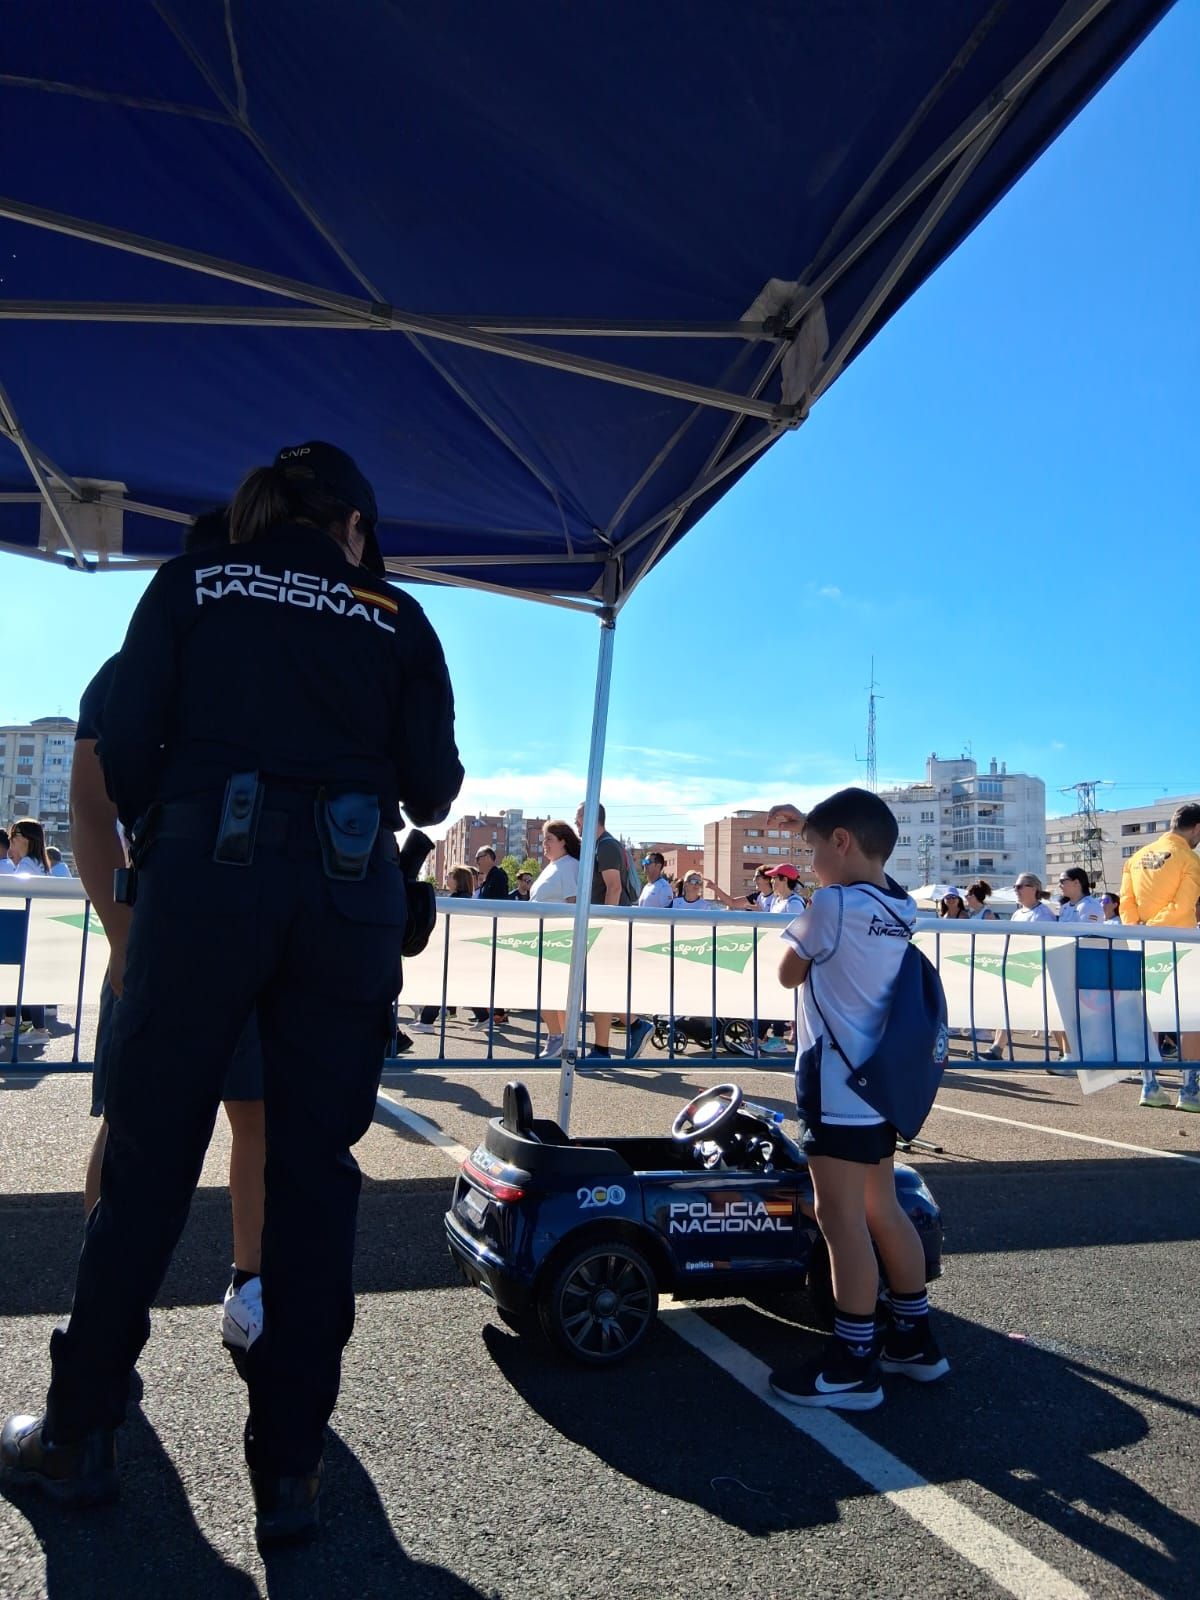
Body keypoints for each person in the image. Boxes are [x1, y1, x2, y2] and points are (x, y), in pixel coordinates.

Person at [0, 440, 463, 1545]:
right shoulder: (393, 613)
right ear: (354, 524)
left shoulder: (194, 582)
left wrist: (207, 819)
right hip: (347, 900)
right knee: (313, 1178)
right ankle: (290, 1472)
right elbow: (434, 791)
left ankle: (77, 1431)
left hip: (209, 879)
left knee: (150, 1163)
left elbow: (128, 751)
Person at [71, 517, 272, 1353]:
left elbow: (91, 807)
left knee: (243, 1119)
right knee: (135, 1128)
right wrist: (121, 936)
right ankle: (105, 1318)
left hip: (224, 935)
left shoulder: (269, 667)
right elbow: (89, 807)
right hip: (174, 934)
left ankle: (243, 1293)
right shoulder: (133, 668)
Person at [769, 787, 947, 1409]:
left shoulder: (831, 905)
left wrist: (813, 916)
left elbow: (788, 971)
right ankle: (914, 1339)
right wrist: (811, 823)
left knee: (840, 1219)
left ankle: (852, 1363)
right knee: (882, 1210)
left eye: (814, 848)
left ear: (841, 843)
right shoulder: (898, 904)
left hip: (834, 1086)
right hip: (876, 1089)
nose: (809, 861)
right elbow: (860, 863)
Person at [1119, 802, 1200, 1112]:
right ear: (1197, 828)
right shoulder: (1189, 858)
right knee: (1190, 1017)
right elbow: (1183, 906)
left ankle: (1150, 1085)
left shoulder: (1136, 858)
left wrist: (1139, 929)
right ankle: (1190, 1089)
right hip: (1179, 944)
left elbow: (1126, 903)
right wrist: (1155, 928)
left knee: (1151, 1014)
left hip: (1142, 944)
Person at [573, 801, 652, 1061]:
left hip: (608, 926)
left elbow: (614, 887)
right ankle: (612, 1041)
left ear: (589, 817)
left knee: (600, 985)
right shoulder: (603, 845)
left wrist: (604, 926)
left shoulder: (606, 846)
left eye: (578, 818)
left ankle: (628, 1029)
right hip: (607, 924)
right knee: (599, 986)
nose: (576, 824)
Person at [981, 873, 1057, 1062]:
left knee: (1054, 1016)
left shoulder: (1043, 914)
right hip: (1019, 969)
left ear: (1034, 889)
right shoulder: (1017, 913)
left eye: (1020, 886)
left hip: (1036, 970)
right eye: (1015, 887)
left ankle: (1068, 1053)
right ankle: (996, 1048)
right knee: (1007, 1008)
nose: (1016, 890)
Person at [528, 821, 582, 1058]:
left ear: (563, 841)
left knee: (546, 990)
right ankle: (560, 1038)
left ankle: (557, 1037)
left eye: (549, 838)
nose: (544, 844)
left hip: (558, 939)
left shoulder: (569, 866)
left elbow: (573, 902)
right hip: (544, 938)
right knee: (553, 992)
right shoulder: (553, 866)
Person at [411, 866, 475, 1033]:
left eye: (450, 876)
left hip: (453, 951)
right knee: (452, 985)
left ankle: (426, 1020)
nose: (447, 878)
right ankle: (483, 1016)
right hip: (458, 951)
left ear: (458, 880)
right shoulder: (465, 899)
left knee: (442, 984)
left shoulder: (457, 900)